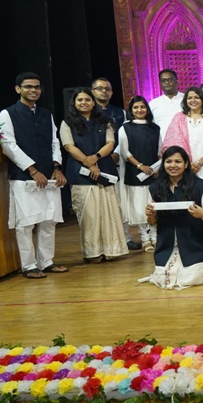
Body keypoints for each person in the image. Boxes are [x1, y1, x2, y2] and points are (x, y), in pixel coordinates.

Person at [0, 72, 69, 279]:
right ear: (18, 89)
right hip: (23, 176)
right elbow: (8, 145)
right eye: (28, 86)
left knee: (48, 220)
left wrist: (57, 166)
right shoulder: (7, 114)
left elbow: (54, 142)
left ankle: (46, 262)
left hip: (49, 175)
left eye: (36, 87)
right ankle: (28, 265)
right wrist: (32, 170)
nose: (33, 90)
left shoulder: (46, 114)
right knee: (26, 223)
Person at [60, 88, 129, 263]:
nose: (84, 103)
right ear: (74, 103)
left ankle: (111, 249)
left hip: (104, 169)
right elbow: (69, 146)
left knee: (108, 212)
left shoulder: (106, 121)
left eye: (87, 100)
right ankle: (92, 253)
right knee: (89, 215)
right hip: (80, 173)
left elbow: (110, 143)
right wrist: (88, 163)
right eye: (80, 100)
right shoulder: (67, 123)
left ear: (93, 102)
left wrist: (96, 158)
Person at [144, 146, 203, 289]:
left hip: (195, 244)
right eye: (168, 161)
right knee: (163, 278)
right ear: (163, 164)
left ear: (186, 164)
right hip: (167, 244)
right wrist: (151, 216)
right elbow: (152, 223)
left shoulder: (200, 185)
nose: (173, 165)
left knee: (189, 278)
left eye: (178, 161)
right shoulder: (155, 188)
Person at [91, 76, 138, 251]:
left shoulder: (120, 112)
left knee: (120, 200)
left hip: (117, 161)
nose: (104, 91)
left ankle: (125, 238)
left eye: (107, 89)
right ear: (92, 92)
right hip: (95, 161)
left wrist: (116, 152)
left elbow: (123, 136)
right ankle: (104, 241)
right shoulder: (89, 112)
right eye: (100, 88)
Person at [118, 96, 161, 252]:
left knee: (153, 206)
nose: (139, 110)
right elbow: (125, 152)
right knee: (139, 208)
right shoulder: (125, 128)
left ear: (147, 109)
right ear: (131, 111)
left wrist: (157, 169)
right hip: (135, 173)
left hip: (153, 174)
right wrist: (140, 166)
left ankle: (155, 236)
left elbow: (159, 151)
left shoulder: (155, 128)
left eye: (142, 107)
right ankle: (144, 238)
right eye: (136, 107)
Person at [161, 87, 203, 190]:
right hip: (186, 165)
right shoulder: (180, 118)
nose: (193, 100)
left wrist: (199, 163)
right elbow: (173, 142)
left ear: (202, 99)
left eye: (196, 97)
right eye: (190, 98)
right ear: (185, 100)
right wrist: (188, 164)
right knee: (189, 193)